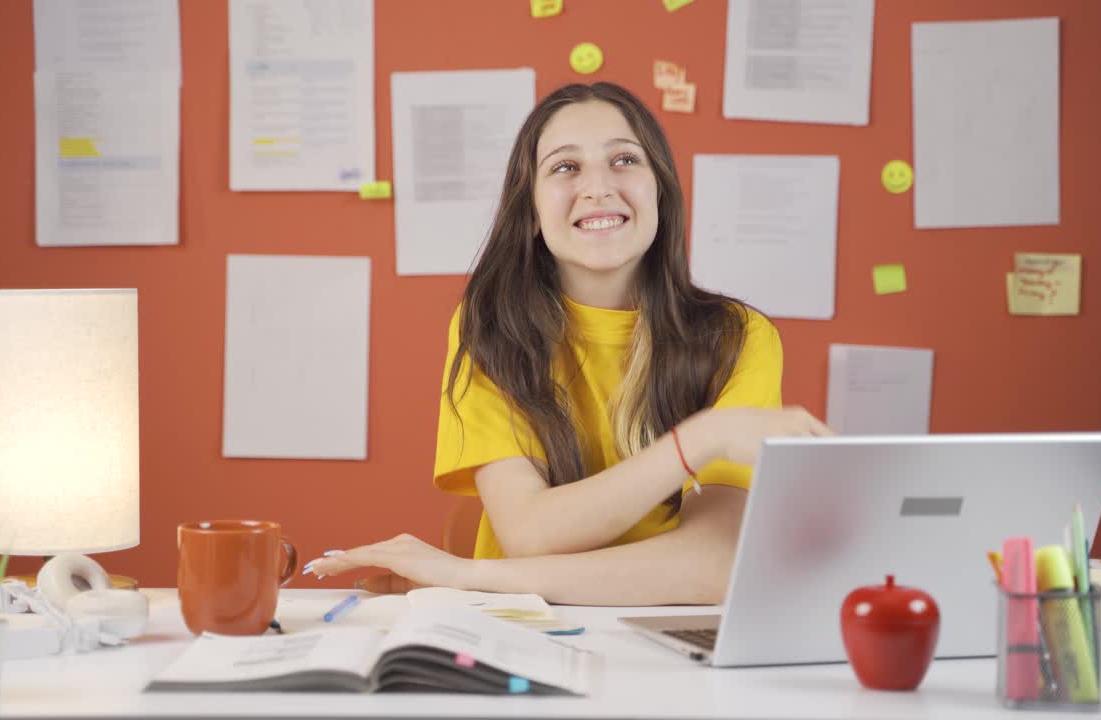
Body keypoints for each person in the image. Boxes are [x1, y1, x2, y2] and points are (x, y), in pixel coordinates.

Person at [305, 82, 830, 605]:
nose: (598, 187)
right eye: (565, 167)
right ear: (530, 210)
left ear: (661, 194)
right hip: (519, 632)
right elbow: (530, 534)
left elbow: (715, 565)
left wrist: (468, 576)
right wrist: (699, 441)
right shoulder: (490, 328)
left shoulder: (738, 337)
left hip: (652, 643)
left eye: (624, 160)